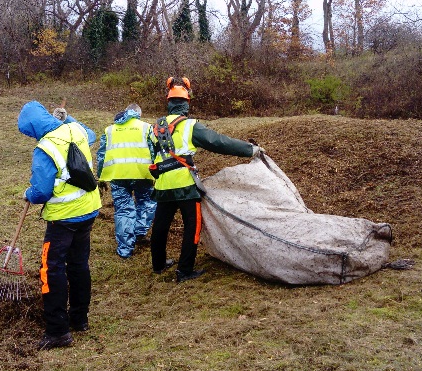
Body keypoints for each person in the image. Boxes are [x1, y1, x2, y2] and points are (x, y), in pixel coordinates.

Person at [148, 77, 264, 283]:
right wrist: (249, 149)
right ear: (186, 104)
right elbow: (218, 142)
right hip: (185, 185)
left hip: (163, 185)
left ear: (169, 102)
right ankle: (184, 271)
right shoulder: (190, 126)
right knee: (192, 227)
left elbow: (152, 154)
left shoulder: (155, 128)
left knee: (160, 226)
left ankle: (158, 265)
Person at [17, 100, 102, 350]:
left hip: (63, 218)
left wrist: (28, 194)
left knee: (51, 269)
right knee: (78, 264)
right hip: (88, 209)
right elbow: (92, 134)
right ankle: (79, 319)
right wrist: (67, 118)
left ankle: (57, 331)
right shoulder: (74, 130)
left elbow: (41, 192)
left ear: (32, 129)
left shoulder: (44, 148)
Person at [96, 103, 157, 259]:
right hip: (142, 174)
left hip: (117, 175)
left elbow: (102, 154)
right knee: (147, 202)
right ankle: (140, 232)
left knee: (123, 210)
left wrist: (100, 175)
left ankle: (125, 249)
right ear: (138, 113)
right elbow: (153, 150)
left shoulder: (109, 130)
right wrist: (156, 172)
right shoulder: (146, 127)